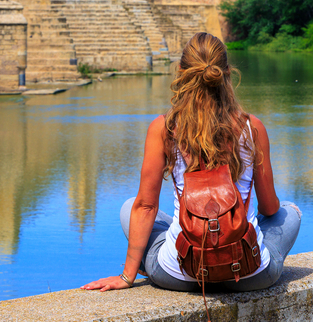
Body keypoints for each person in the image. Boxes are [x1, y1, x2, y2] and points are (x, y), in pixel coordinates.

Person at [82, 32, 301, 293]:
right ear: (227, 73)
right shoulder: (252, 128)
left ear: (180, 72)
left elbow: (146, 207)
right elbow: (268, 207)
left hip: (179, 274)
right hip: (248, 275)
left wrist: (127, 277)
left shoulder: (164, 128)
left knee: (131, 207)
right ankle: (258, 258)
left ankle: (152, 261)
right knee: (290, 212)